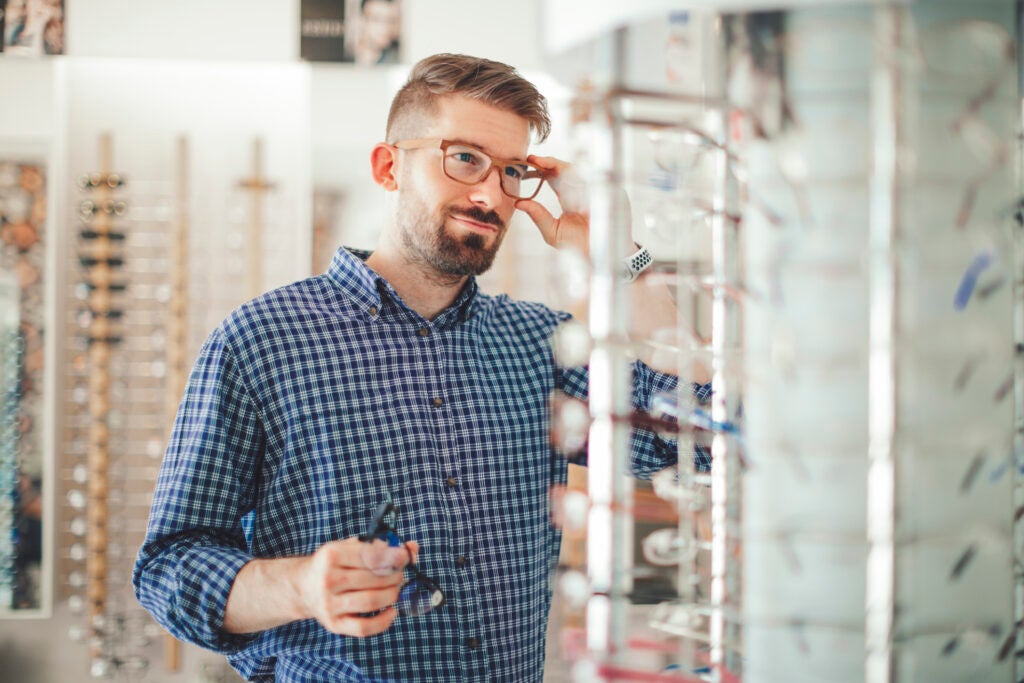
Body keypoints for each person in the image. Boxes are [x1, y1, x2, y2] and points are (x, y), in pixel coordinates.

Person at [134, 53, 708, 683]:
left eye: (512, 171)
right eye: (463, 158)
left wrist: (622, 252)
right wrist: (301, 585)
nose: (490, 193)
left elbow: (696, 435)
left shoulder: (539, 344)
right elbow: (168, 569)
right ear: (388, 167)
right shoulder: (260, 342)